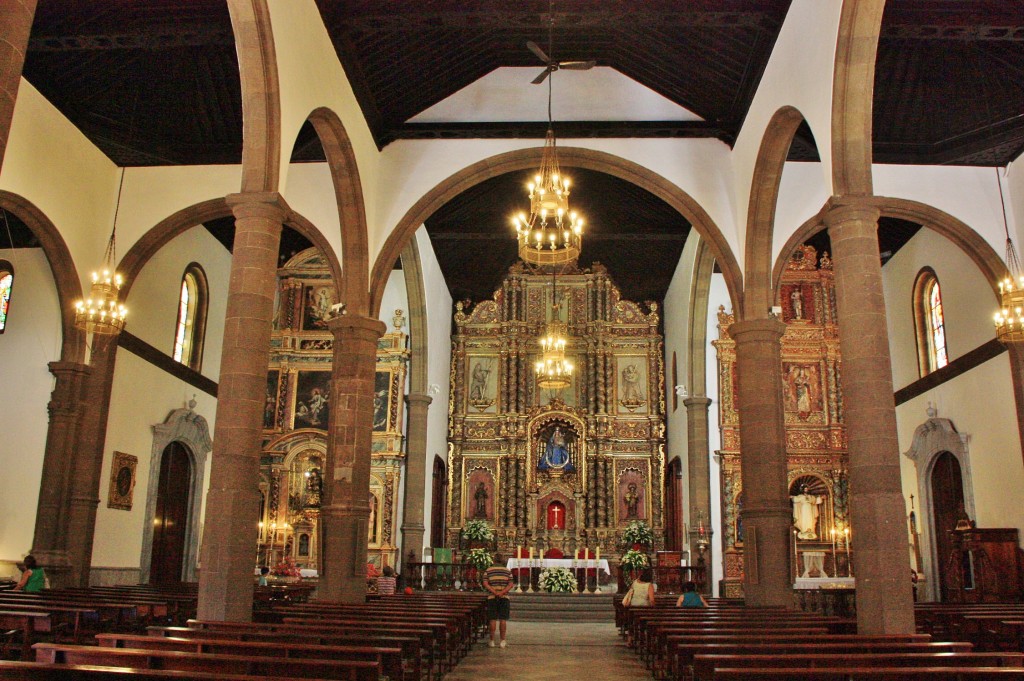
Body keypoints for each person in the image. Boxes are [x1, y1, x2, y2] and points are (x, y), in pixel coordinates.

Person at [483, 553, 512, 648]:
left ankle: (491, 641)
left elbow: (485, 583)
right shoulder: (507, 571)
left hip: (492, 597)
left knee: (493, 619)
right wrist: (502, 592)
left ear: (494, 560)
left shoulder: (488, 570)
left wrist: (494, 592)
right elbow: (510, 584)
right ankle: (502, 641)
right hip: (504, 597)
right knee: (503, 619)